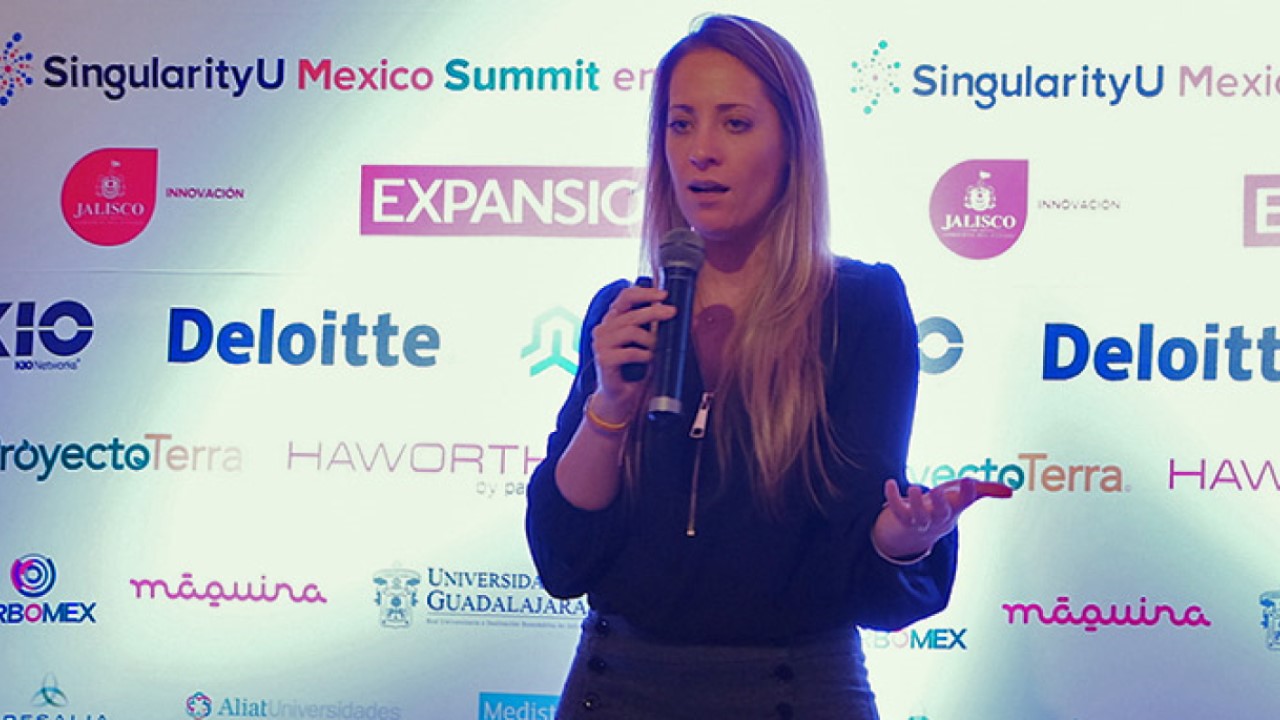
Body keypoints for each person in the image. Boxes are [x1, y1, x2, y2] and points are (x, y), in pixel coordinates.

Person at [526, 14, 1002, 720]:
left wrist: (902, 539)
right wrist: (610, 410)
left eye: (735, 124)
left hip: (793, 687)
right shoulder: (626, 311)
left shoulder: (858, 308)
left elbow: (855, 553)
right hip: (616, 684)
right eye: (681, 124)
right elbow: (564, 558)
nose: (701, 152)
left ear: (791, 146)